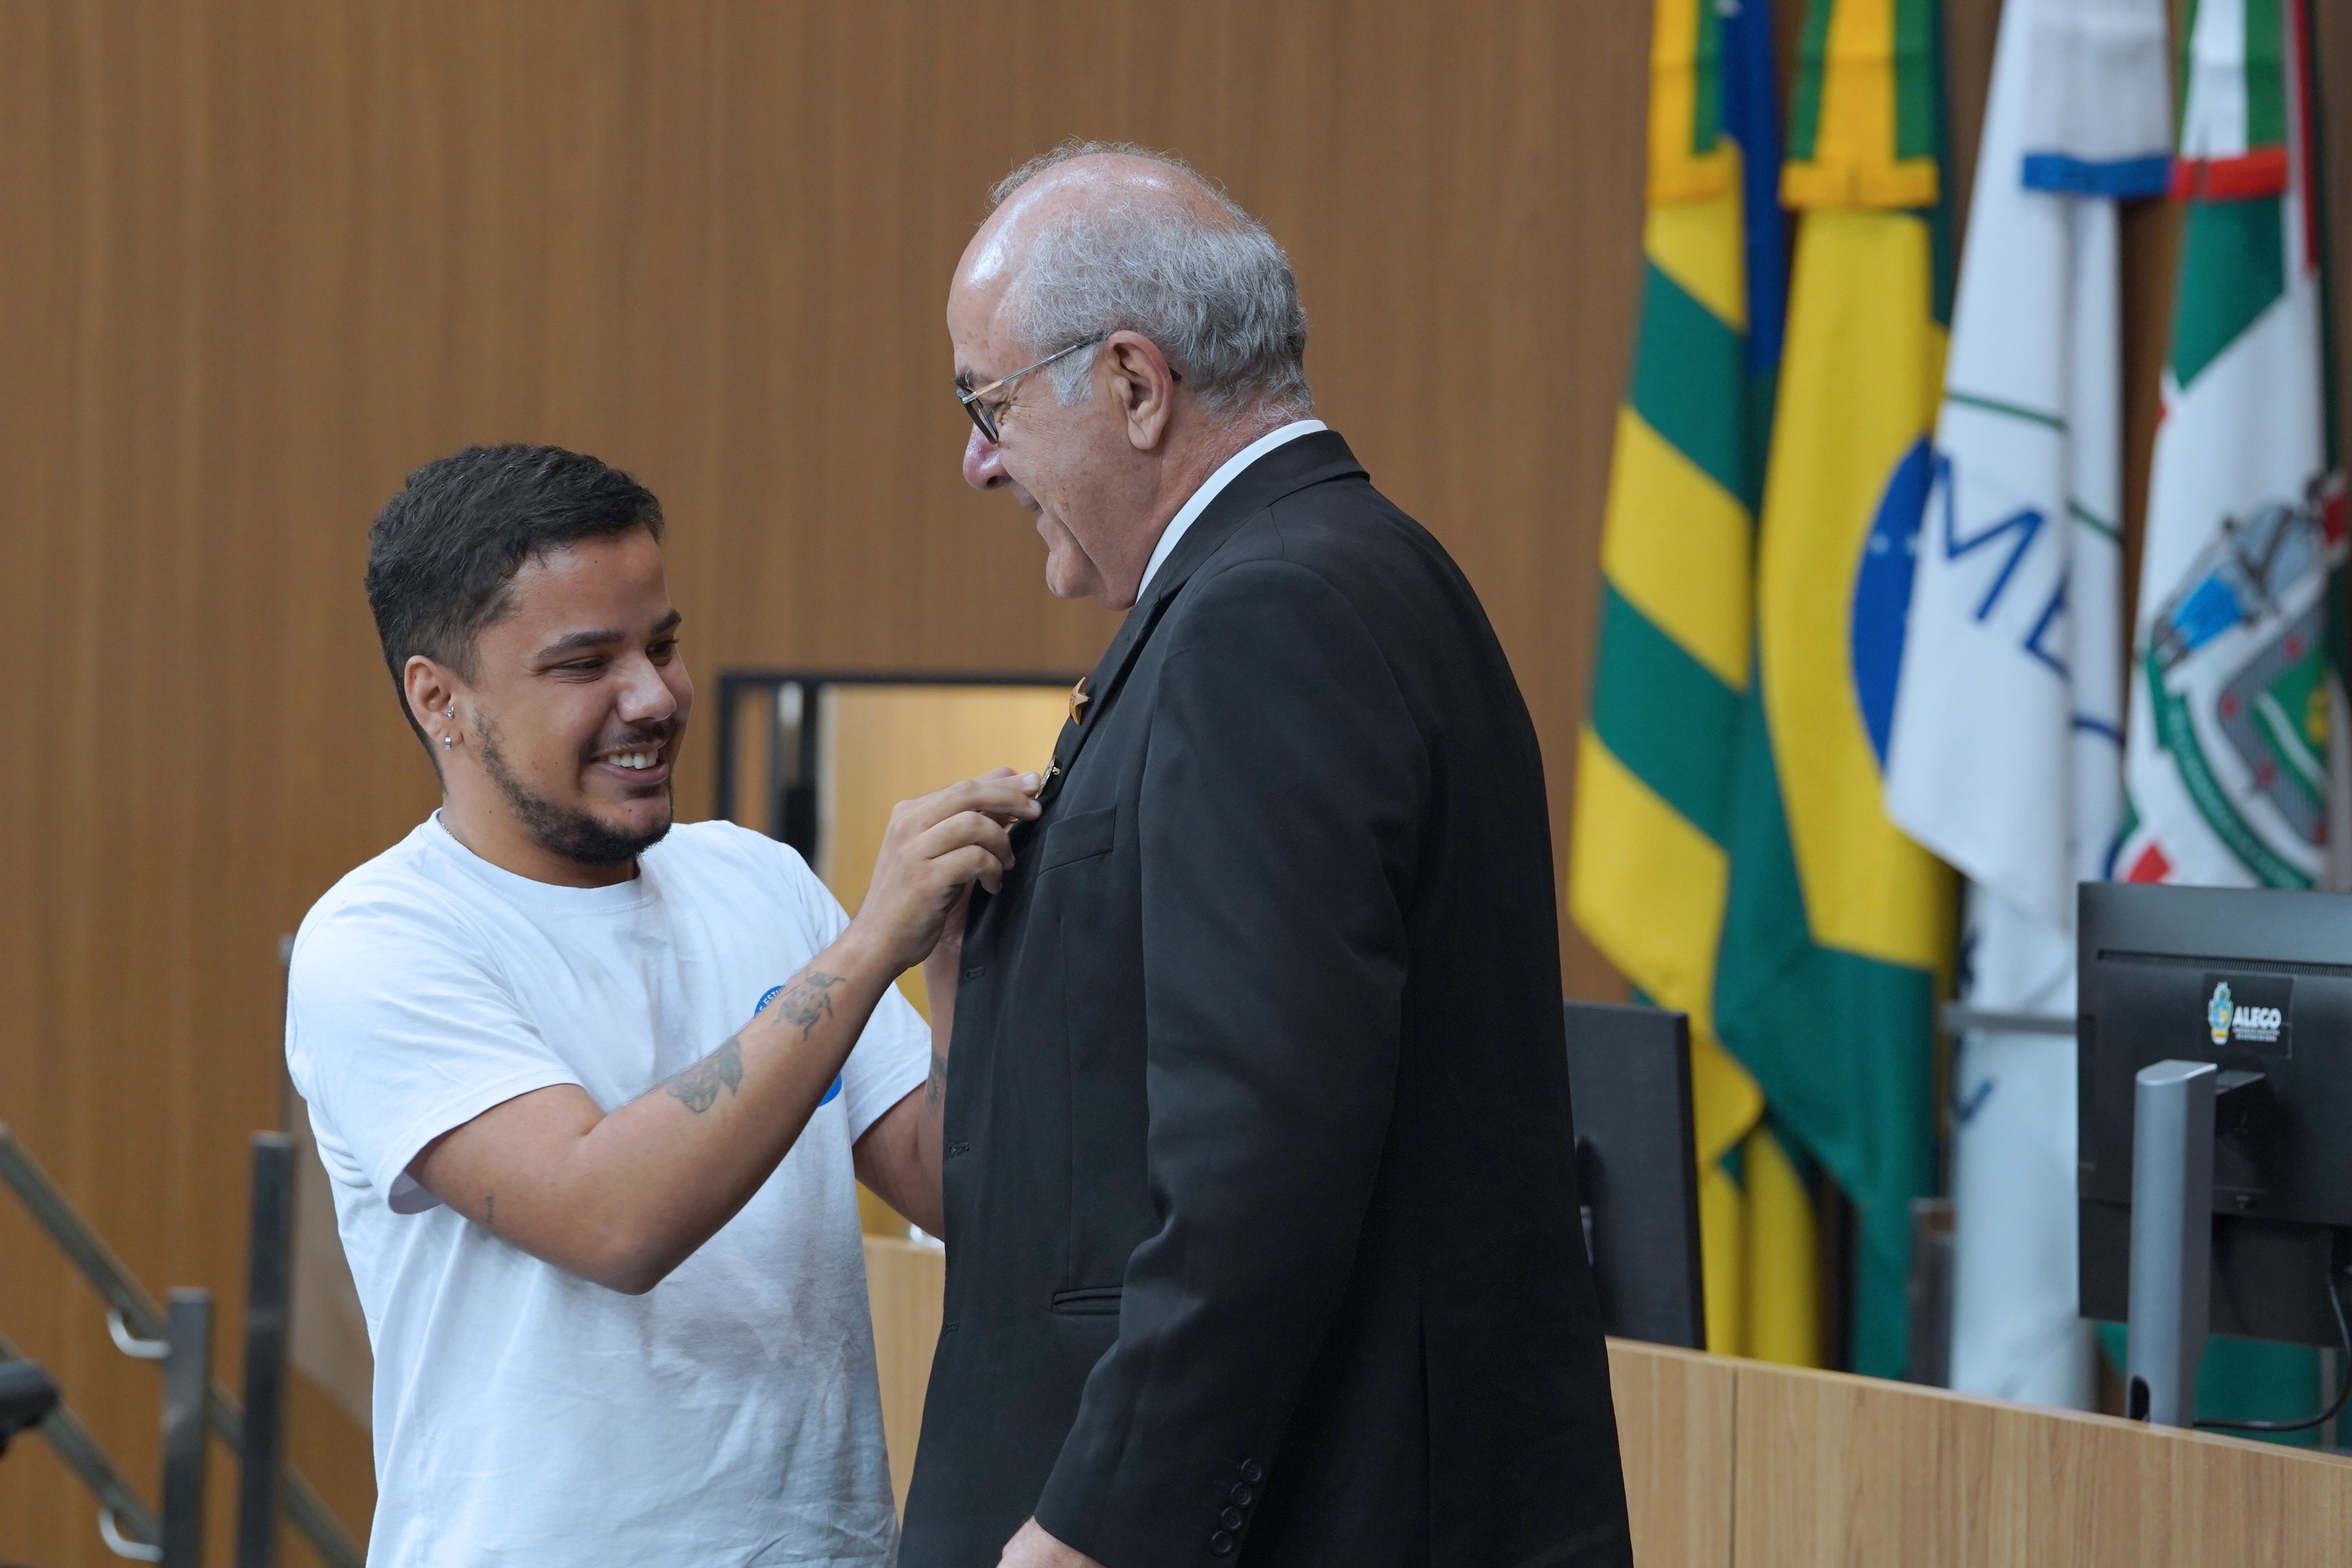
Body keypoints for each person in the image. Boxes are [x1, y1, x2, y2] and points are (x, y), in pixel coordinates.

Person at [904, 145, 1632, 1567]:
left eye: (989, 405)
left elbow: (1260, 1157)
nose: (978, 461)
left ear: (1134, 383)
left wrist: (1098, 1526)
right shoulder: (1333, 572)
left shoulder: (1267, 616)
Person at [287, 443, 1039, 1567]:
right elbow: (613, 1220)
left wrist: (954, 969)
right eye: (586, 663)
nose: (652, 697)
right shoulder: (382, 938)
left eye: (663, 646)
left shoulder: (757, 878)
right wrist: (872, 943)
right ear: (440, 698)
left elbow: (951, 1183)